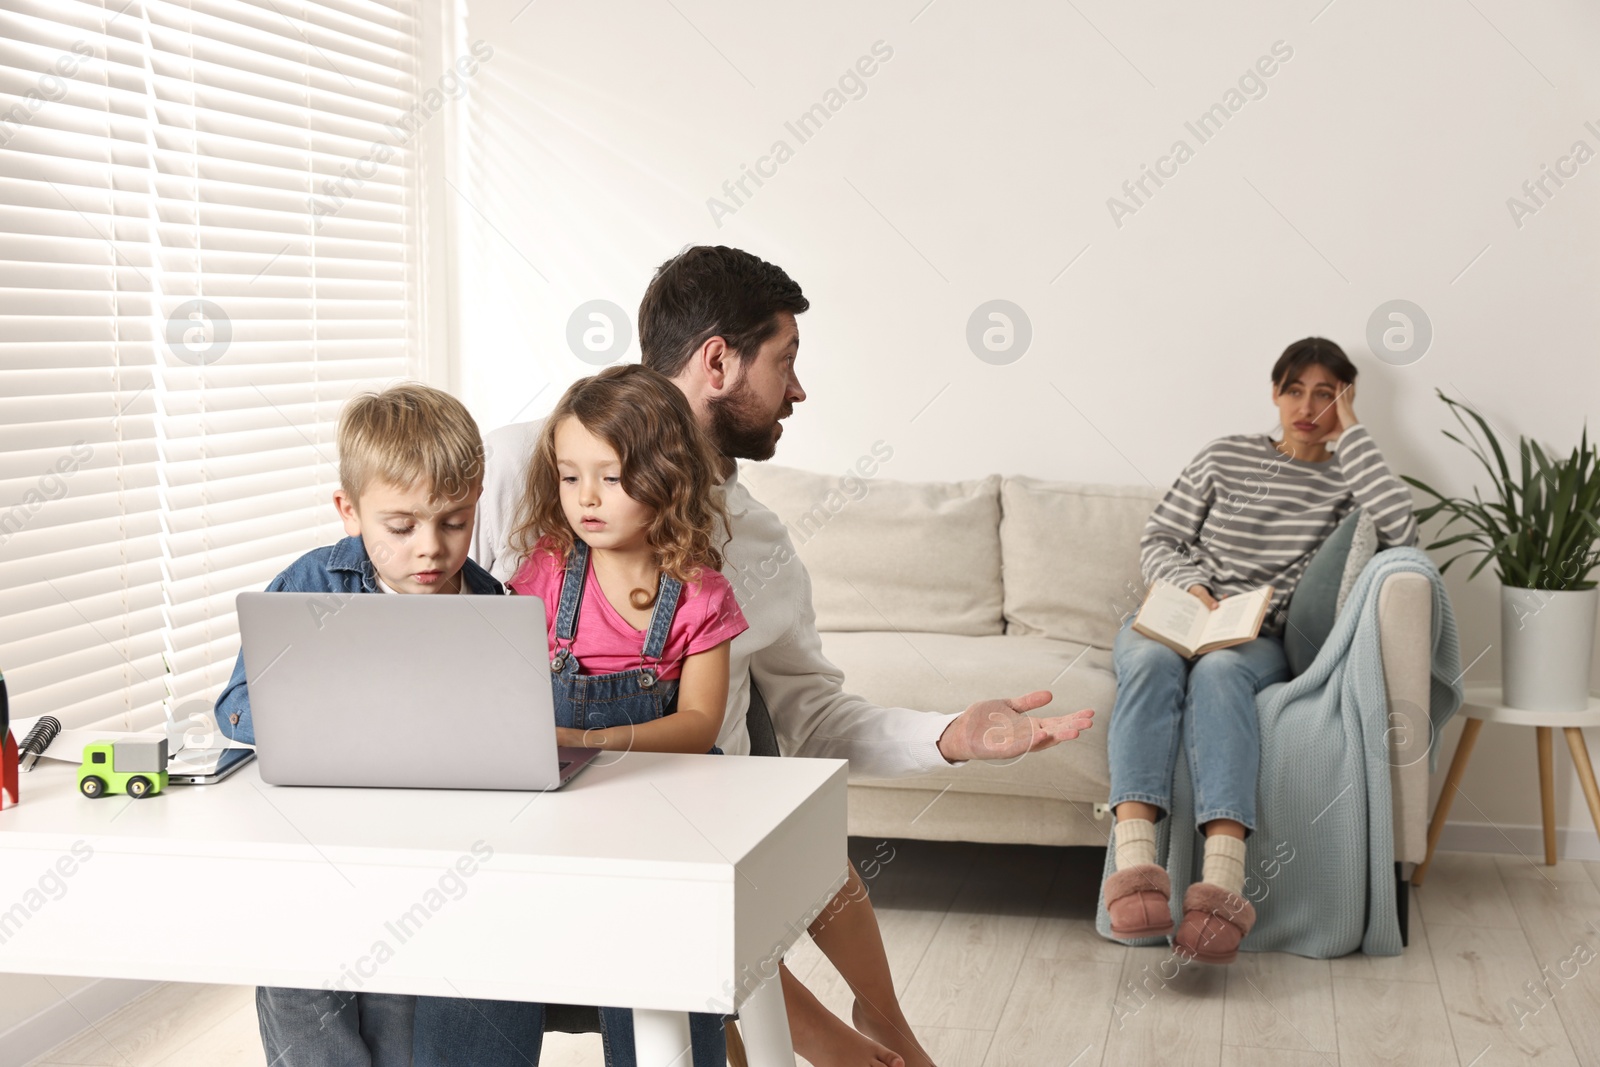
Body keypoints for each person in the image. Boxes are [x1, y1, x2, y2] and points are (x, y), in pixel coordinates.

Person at [472, 246, 1097, 1067]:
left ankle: (871, 1035)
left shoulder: (753, 540)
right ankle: (848, 1043)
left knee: (774, 816)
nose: (797, 391)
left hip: (692, 821)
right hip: (532, 818)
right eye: (787, 361)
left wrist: (951, 736)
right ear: (719, 361)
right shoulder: (513, 471)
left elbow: (812, 715)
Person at [413, 364, 746, 1067]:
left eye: (612, 477)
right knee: (473, 924)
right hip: (554, 814)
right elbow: (504, 689)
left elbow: (698, 726)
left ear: (668, 475)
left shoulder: (697, 595)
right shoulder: (547, 571)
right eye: (570, 476)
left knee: (661, 955)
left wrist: (588, 738)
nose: (585, 498)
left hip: (657, 815)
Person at [1101, 337, 1418, 964]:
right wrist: (1192, 588)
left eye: (1327, 394)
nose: (1308, 406)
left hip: (1254, 637)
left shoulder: (1347, 484)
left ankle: (1220, 885)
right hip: (1182, 609)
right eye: (1295, 389)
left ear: (1345, 401)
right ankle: (1135, 874)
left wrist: (1351, 431)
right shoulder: (1225, 456)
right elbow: (1162, 536)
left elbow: (1405, 531)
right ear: (1275, 393)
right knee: (1146, 660)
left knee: (1219, 673)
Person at [214, 382, 504, 1067]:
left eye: (455, 521)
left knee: (400, 1003)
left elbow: (503, 730)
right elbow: (235, 705)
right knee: (302, 984)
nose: (430, 548)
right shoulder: (313, 586)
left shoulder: (490, 603)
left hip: (428, 850)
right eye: (400, 527)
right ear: (350, 512)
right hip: (319, 842)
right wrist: (346, 720)